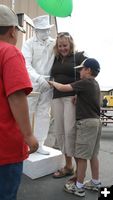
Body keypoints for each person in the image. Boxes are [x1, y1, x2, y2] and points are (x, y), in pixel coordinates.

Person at [0, 4, 39, 200]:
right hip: (4, 145)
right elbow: (16, 96)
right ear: (12, 31)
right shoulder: (9, 52)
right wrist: (29, 135)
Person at [49, 58, 102, 197]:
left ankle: (79, 187)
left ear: (88, 70)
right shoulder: (95, 85)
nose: (79, 72)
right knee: (93, 155)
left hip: (85, 124)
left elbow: (64, 88)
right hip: (96, 122)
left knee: (81, 156)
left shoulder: (85, 82)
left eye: (81, 69)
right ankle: (95, 182)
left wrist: (52, 82)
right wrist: (78, 96)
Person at [50, 32, 87, 178]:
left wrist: (80, 92)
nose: (62, 48)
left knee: (70, 131)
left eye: (65, 45)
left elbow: (91, 71)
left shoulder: (78, 57)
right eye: (60, 46)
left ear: (70, 44)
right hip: (56, 98)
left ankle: (80, 170)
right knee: (60, 131)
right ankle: (68, 166)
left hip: (71, 97)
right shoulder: (55, 58)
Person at [22, 15, 55, 155]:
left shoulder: (54, 43)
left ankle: (40, 143)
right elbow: (26, 64)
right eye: (43, 30)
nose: (46, 33)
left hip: (48, 84)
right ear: (36, 30)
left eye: (48, 30)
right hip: (32, 83)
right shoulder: (28, 44)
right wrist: (38, 78)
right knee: (28, 112)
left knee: (43, 114)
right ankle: (26, 143)